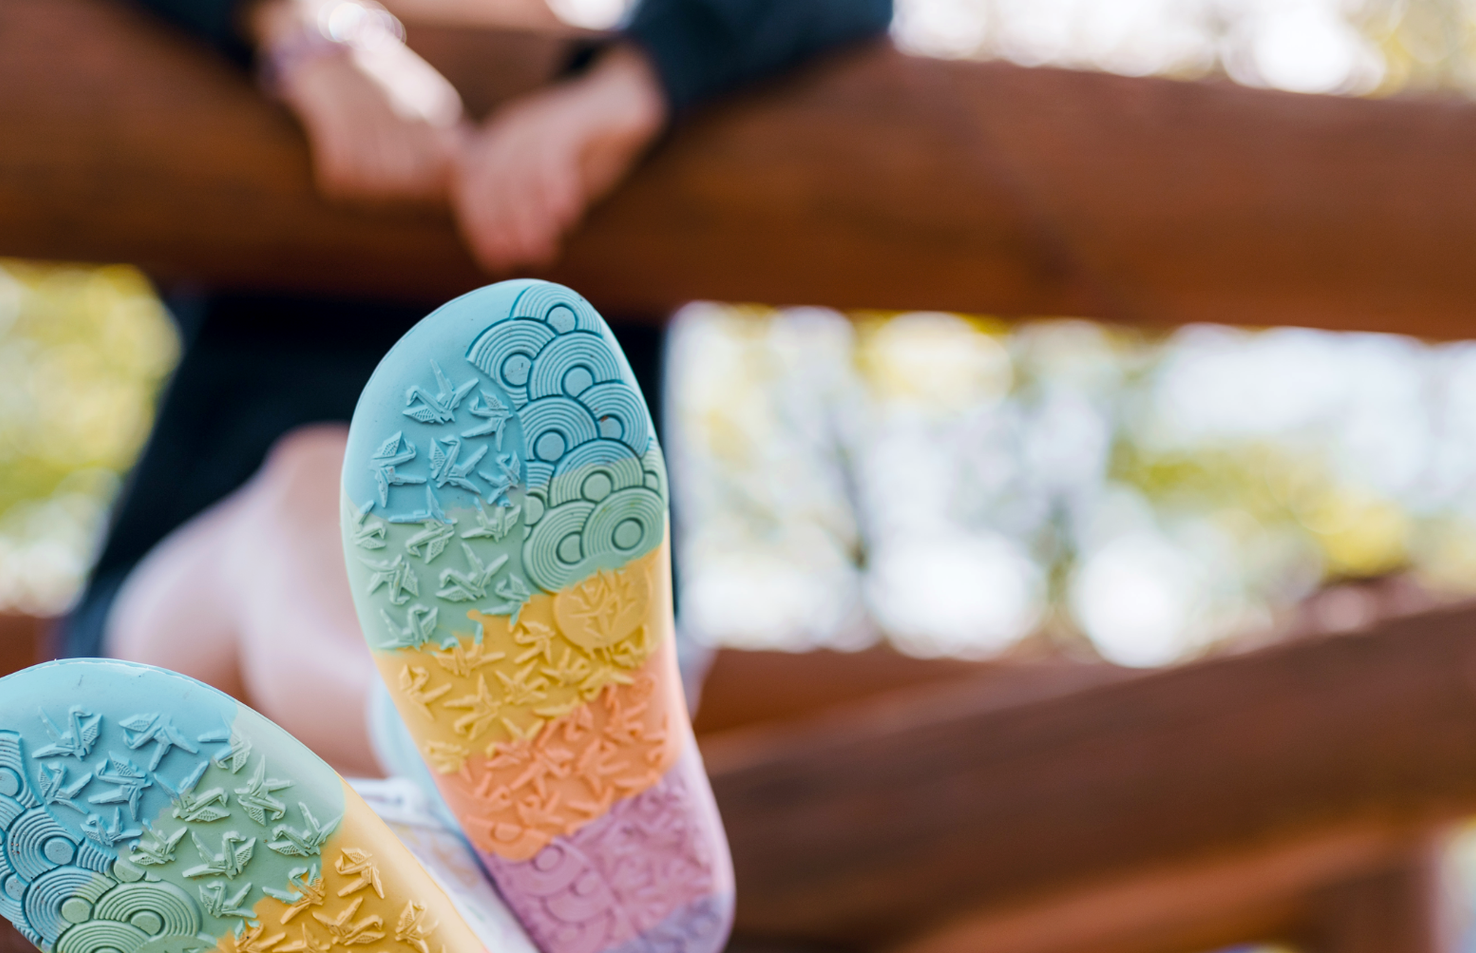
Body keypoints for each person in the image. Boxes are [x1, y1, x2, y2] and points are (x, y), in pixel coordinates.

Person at [61, 0, 894, 779]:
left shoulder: (637, 64)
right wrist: (301, 27)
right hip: (180, 666)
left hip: (565, 633)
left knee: (503, 591)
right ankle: (446, 746)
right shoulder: (255, 50)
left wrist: (632, 86)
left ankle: (468, 771)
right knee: (316, 488)